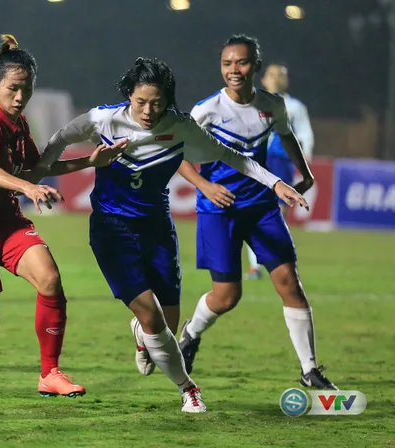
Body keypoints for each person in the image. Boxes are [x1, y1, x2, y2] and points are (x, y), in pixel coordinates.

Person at [37, 57, 308, 412]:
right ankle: (188, 388)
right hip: (112, 230)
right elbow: (60, 138)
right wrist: (41, 173)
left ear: (168, 101)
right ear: (128, 96)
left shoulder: (180, 127)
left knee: (167, 320)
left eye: (157, 102)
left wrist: (276, 183)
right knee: (153, 319)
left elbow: (232, 156)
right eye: (141, 102)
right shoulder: (103, 119)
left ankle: (142, 336)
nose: (148, 110)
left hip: (157, 228)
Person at [0, 34, 122, 397]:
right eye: (13, 89)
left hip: (7, 224)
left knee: (49, 279)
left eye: (27, 89)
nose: (20, 97)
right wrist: (28, 189)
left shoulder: (18, 124)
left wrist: (88, 161)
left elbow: (34, 169)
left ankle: (50, 373)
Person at [177, 34, 337, 390]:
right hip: (220, 209)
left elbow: (289, 136)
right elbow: (178, 156)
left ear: (256, 67)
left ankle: (310, 370)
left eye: (242, 63)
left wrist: (305, 175)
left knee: (290, 283)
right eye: (227, 63)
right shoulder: (207, 110)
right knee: (227, 296)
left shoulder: (273, 106)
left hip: (262, 206)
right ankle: (190, 332)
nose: (234, 70)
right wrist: (205, 186)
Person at [245, 62, 315, 279]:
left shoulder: (295, 107)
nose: (276, 78)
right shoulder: (252, 102)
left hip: (282, 162)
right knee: (254, 210)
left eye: (281, 75)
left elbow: (304, 133)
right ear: (263, 79)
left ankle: (274, 259)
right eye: (272, 74)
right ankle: (255, 266)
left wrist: (307, 154)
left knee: (278, 214)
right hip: (259, 160)